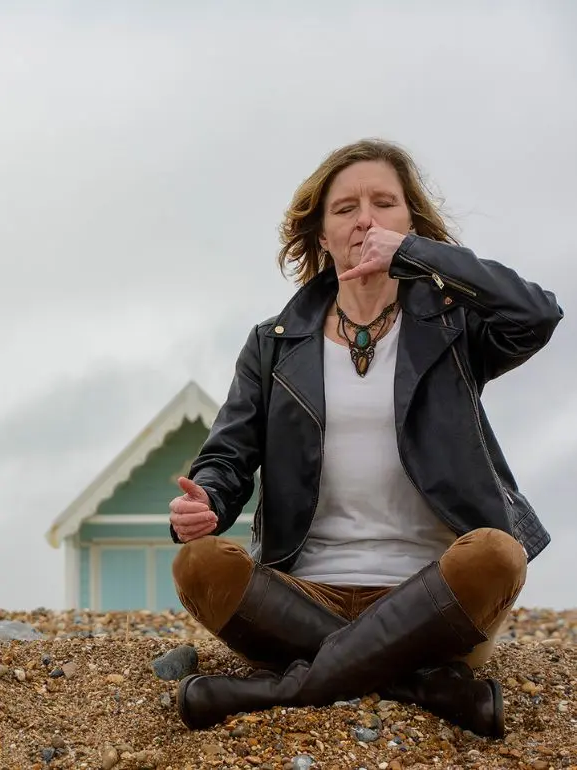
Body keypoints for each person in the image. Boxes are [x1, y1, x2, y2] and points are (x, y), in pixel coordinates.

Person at [168, 139, 563, 737]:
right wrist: (207, 501)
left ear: (411, 223)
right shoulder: (274, 344)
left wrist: (417, 256)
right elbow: (228, 455)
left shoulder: (452, 327)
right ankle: (421, 683)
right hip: (303, 594)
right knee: (199, 563)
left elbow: (537, 315)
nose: (365, 218)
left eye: (385, 203)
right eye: (345, 207)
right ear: (321, 235)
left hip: (431, 596)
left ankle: (282, 685)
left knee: (496, 554)